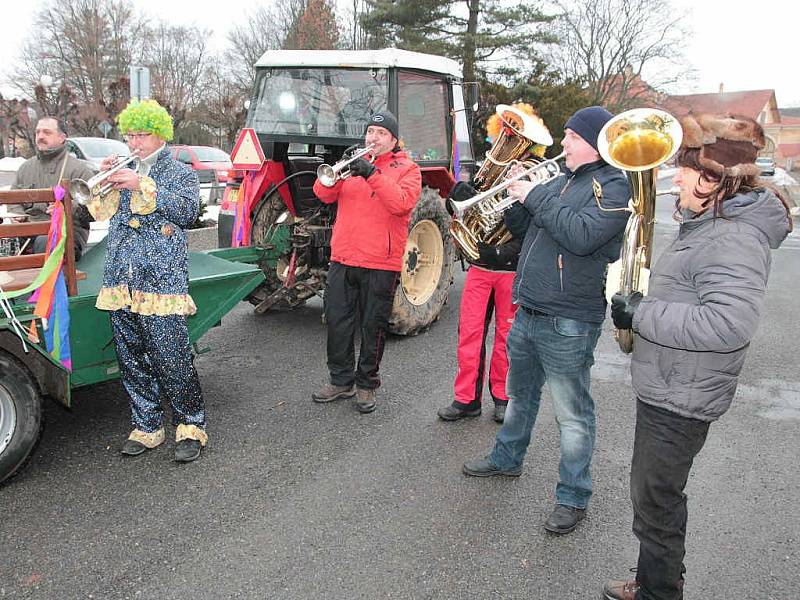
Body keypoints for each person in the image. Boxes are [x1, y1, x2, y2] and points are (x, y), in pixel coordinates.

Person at [602, 113, 792, 600]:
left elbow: (729, 325)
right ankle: (653, 580)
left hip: (681, 395)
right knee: (652, 497)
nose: (675, 179)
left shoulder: (732, 237)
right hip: (672, 384)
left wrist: (642, 313)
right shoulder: (711, 225)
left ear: (712, 180)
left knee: (656, 501)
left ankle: (659, 593)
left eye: (684, 171)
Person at [462, 106, 630, 535]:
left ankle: (573, 496)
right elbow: (529, 230)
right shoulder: (561, 179)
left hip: (569, 319)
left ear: (593, 143)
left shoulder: (612, 186)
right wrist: (515, 196)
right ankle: (507, 457)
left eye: (571, 138)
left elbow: (581, 236)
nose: (563, 145)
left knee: (571, 414)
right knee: (520, 396)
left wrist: (536, 195)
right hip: (530, 306)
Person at [87, 99, 207, 463]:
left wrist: (142, 184)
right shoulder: (122, 169)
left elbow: (187, 212)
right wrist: (104, 183)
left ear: (160, 135)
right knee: (132, 359)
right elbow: (98, 212)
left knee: (172, 359)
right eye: (130, 135)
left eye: (141, 134)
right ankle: (147, 425)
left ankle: (190, 426)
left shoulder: (180, 171)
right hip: (121, 276)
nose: (134, 142)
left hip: (161, 279)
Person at [311, 110, 422, 413]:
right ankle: (341, 380)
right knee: (337, 321)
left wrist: (371, 174)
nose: (373, 137)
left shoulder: (408, 169)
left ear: (394, 139)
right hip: (344, 257)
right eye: (370, 131)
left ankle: (366, 384)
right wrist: (341, 168)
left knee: (372, 326)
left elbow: (400, 204)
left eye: (381, 133)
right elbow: (322, 192)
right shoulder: (354, 167)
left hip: (380, 262)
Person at [11, 116, 95, 259]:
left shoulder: (79, 170)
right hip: (29, 231)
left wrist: (66, 207)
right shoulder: (25, 168)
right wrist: (17, 215)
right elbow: (13, 201)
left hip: (67, 232)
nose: (40, 136)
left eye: (46, 132)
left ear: (62, 137)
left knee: (45, 242)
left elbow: (94, 211)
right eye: (38, 132)